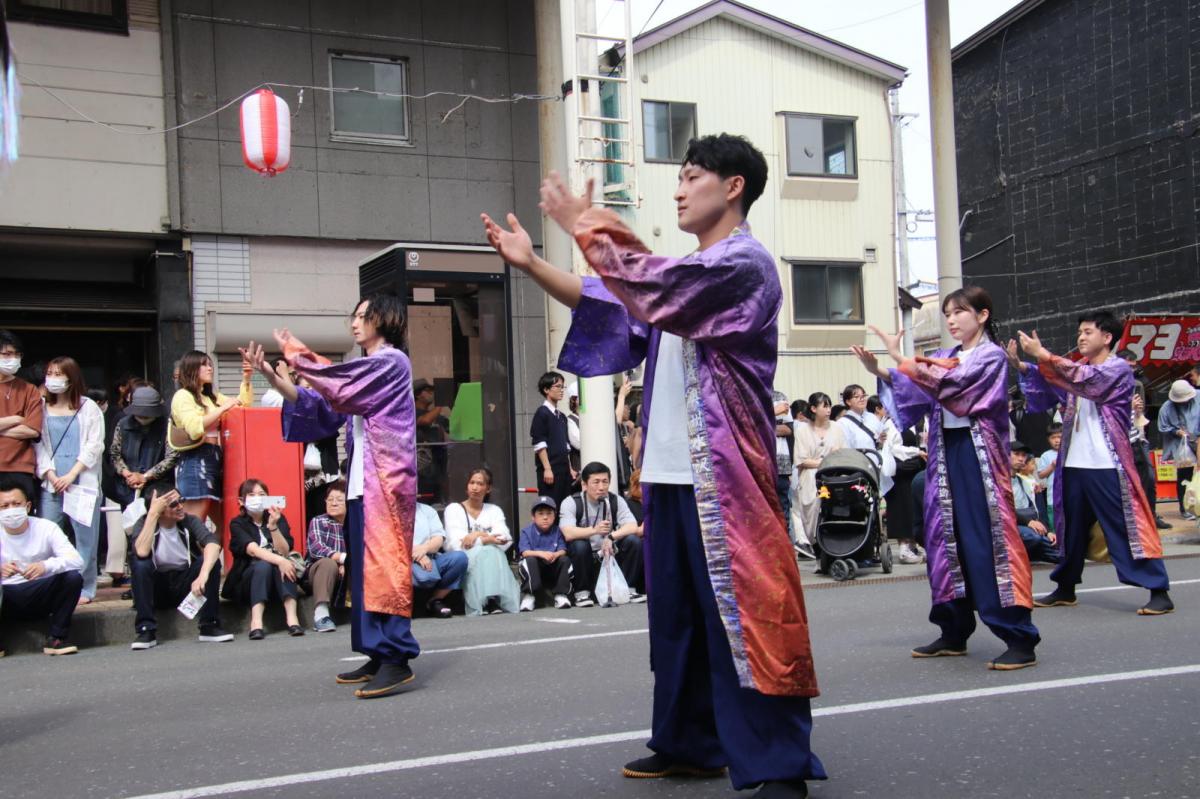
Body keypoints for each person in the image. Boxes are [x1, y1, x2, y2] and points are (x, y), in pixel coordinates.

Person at [482, 134, 824, 797]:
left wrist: (586, 222)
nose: (677, 188)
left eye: (690, 176)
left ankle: (777, 763)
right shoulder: (682, 278)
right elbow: (616, 301)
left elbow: (651, 286)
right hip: (668, 477)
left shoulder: (743, 266)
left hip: (726, 476)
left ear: (732, 187)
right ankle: (690, 742)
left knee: (746, 616)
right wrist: (530, 264)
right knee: (676, 620)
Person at [854, 286, 1040, 671]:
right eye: (948, 313)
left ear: (983, 315)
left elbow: (954, 389)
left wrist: (900, 360)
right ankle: (953, 630)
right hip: (944, 453)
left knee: (986, 541)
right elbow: (917, 391)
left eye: (960, 312)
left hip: (978, 459)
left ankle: (1018, 636)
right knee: (943, 540)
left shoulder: (990, 357)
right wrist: (881, 370)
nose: (952, 320)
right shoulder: (943, 356)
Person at [253, 293, 420, 699]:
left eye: (363, 316)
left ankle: (396, 656)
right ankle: (378, 653)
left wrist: (296, 353)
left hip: (387, 485)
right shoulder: (369, 369)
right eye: (355, 316)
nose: (354, 323)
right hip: (365, 484)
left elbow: (339, 386)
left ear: (386, 318)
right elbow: (327, 407)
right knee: (365, 575)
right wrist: (278, 380)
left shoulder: (392, 362)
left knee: (385, 571)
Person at [1015, 311, 1173, 615]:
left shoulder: (1117, 370)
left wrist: (1044, 355)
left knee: (1125, 527)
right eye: (1080, 333)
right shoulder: (1079, 369)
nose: (1081, 337)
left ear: (1107, 337)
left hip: (1106, 465)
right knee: (1070, 529)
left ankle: (1159, 589)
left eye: (1088, 332)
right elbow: (1054, 387)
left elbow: (1084, 381)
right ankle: (1065, 587)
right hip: (1074, 466)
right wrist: (1022, 365)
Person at [36, 356, 105, 603]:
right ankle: (49, 585)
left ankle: (85, 587)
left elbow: (94, 445)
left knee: (85, 537)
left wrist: (72, 474)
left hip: (81, 481)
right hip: (51, 481)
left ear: (71, 377)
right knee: (48, 534)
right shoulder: (41, 408)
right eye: (50, 373)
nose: (52, 378)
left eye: (58, 373)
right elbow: (39, 446)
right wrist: (52, 475)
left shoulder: (89, 407)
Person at [128, 485, 231, 649]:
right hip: (156, 588)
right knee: (140, 564)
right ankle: (146, 630)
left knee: (210, 562)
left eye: (181, 501)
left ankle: (209, 626)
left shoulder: (189, 521)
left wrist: (202, 575)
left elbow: (213, 545)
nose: (181, 506)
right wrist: (153, 514)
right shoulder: (144, 523)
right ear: (160, 509)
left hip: (184, 584)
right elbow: (141, 551)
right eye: (174, 504)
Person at [169, 350, 252, 530]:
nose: (210, 368)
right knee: (196, 524)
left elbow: (241, 406)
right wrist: (223, 409)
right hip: (195, 459)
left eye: (210, 364)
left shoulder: (210, 397)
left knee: (227, 526)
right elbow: (194, 429)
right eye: (204, 364)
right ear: (192, 368)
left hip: (214, 457)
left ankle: (211, 558)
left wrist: (246, 379)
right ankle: (199, 558)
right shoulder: (183, 396)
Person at [0, 477, 84, 655]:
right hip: (6, 596)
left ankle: (57, 638)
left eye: (16, 504)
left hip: (40, 591)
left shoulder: (46, 527)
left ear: (28, 506)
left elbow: (76, 559)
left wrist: (45, 566)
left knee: (73, 577)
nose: (11, 510)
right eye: (4, 506)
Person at [109, 386, 178, 580]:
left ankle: (159, 577)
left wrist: (146, 476)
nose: (143, 418)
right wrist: (127, 473)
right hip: (128, 488)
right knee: (133, 533)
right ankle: (137, 581)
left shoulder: (167, 425)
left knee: (159, 533)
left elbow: (172, 456)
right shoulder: (123, 424)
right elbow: (114, 453)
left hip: (157, 488)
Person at [223, 478, 303, 639]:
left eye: (261, 494)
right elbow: (253, 550)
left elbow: (284, 551)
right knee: (265, 565)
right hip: (247, 578)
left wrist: (273, 526)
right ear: (242, 500)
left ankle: (292, 619)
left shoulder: (278, 518)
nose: (257, 498)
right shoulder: (237, 523)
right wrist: (280, 561)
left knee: (283, 565)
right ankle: (256, 622)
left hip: (276, 577)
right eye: (251, 495)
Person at [559, 461, 645, 606]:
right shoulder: (572, 502)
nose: (601, 487)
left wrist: (612, 537)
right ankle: (582, 593)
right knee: (579, 545)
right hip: (587, 557)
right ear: (584, 485)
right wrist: (595, 530)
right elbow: (568, 532)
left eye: (605, 482)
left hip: (610, 552)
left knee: (633, 541)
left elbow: (632, 526)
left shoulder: (615, 500)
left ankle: (628, 589)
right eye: (596, 482)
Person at [443, 467, 520, 615]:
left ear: (488, 488)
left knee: (491, 552)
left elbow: (504, 538)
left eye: (480, 484)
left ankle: (490, 598)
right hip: (463, 558)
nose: (475, 488)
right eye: (472, 483)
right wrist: (486, 539)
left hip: (490, 555)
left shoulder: (494, 510)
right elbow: (457, 543)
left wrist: (476, 534)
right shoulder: (454, 509)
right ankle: (486, 600)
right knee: (486, 551)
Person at [792, 392, 844, 560]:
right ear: (813, 409)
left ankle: (835, 545)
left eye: (829, 406)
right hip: (810, 477)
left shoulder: (836, 427)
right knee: (812, 509)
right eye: (825, 406)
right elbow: (801, 460)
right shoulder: (802, 430)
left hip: (832, 475)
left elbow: (840, 453)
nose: (829, 410)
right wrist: (823, 461)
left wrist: (828, 462)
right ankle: (816, 544)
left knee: (834, 507)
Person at [0, 331, 44, 513]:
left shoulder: (29, 390)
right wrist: (16, 419)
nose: (14, 359)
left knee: (20, 522)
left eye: (17, 355)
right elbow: (25, 425)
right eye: (7, 354)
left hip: (21, 467)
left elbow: (33, 430)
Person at [303, 480, 348, 633]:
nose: (334, 503)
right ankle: (321, 615)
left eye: (339, 500)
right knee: (328, 563)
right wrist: (343, 559)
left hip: (347, 572)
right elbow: (317, 549)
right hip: (318, 573)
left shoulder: (356, 523)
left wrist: (348, 564)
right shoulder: (319, 521)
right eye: (330, 500)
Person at [412, 501, 468, 618]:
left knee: (459, 558)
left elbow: (438, 539)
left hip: (430, 556)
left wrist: (424, 549)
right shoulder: (387, 511)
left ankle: (435, 600)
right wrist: (414, 554)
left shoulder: (427, 510)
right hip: (401, 559)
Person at [518, 496, 573, 611]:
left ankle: (561, 595)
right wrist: (541, 553)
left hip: (552, 566)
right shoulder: (526, 531)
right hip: (535, 569)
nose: (545, 517)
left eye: (549, 513)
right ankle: (529, 596)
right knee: (529, 560)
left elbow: (563, 549)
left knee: (564, 559)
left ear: (554, 516)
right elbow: (524, 552)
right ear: (533, 517)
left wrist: (556, 555)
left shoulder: (558, 531)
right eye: (541, 514)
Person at [1156, 379, 1199, 521]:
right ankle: (1185, 508)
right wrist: (1176, 432)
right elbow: (1162, 427)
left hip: (1198, 439)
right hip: (1181, 444)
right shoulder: (1166, 408)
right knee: (1184, 476)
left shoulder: (1198, 398)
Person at [530, 371, 575, 506]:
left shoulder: (561, 417)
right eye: (558, 386)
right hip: (551, 471)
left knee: (565, 508)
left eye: (563, 387)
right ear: (546, 389)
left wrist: (570, 468)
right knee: (551, 507)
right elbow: (539, 444)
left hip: (564, 470)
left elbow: (566, 445)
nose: (561, 390)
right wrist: (547, 469)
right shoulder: (542, 413)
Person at [1036, 423, 1062, 528]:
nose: (1057, 440)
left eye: (1059, 437)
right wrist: (1052, 466)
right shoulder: (1046, 455)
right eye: (1053, 438)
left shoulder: (1070, 452)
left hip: (1069, 497)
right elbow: (1041, 475)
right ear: (1048, 439)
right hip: (1053, 498)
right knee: (1055, 524)